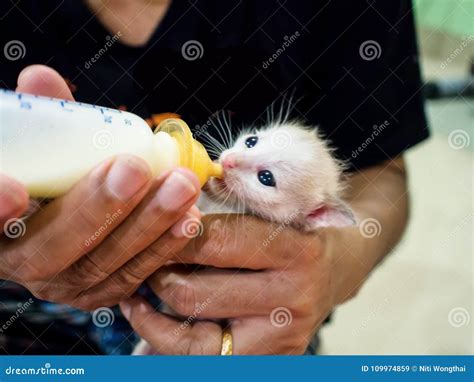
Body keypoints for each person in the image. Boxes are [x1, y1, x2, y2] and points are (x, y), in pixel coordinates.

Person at [0, 0, 429, 354]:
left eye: (265, 180)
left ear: (313, 215)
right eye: (250, 142)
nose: (229, 162)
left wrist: (333, 269)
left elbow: (382, 171)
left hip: (259, 331)